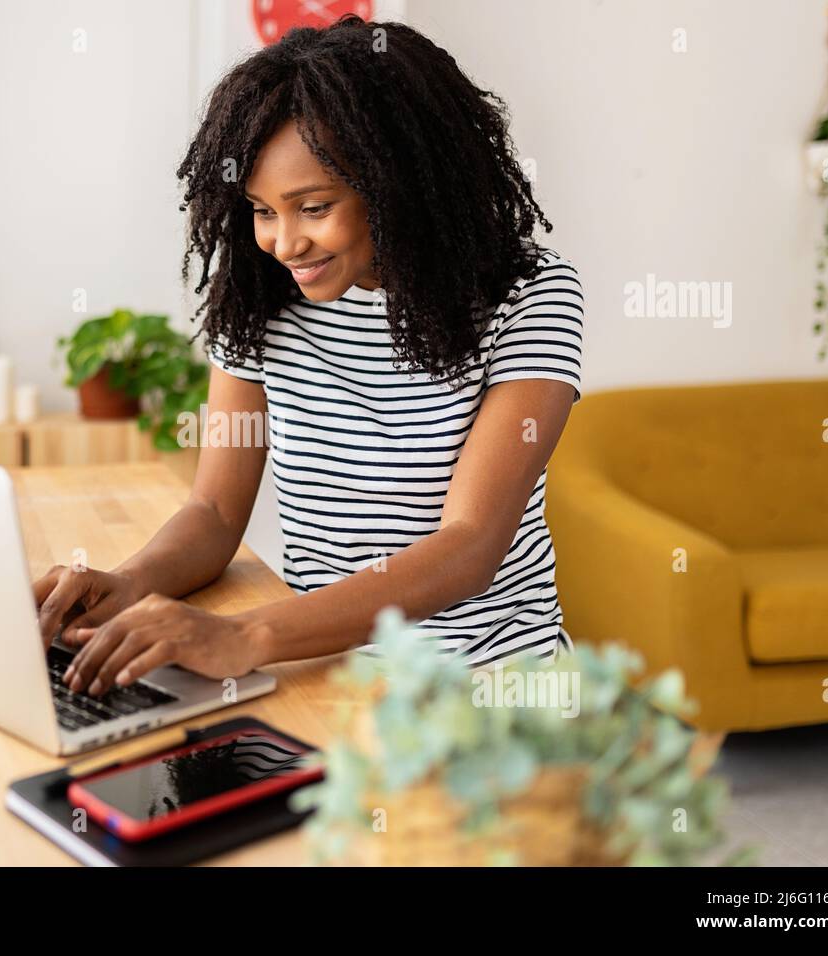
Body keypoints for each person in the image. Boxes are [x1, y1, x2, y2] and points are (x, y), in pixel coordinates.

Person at [34, 16, 583, 699]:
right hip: (328, 670)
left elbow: (469, 546)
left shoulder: (528, 294)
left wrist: (247, 635)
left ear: (397, 185)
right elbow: (212, 510)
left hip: (491, 689)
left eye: (313, 207)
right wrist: (129, 583)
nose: (285, 242)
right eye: (263, 211)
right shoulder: (258, 298)